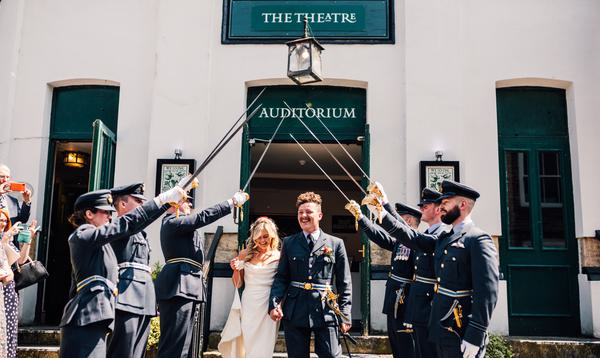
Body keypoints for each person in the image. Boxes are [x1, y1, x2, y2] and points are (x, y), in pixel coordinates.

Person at [373, 181, 499, 358]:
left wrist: (476, 335)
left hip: (459, 329)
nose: (442, 207)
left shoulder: (477, 239)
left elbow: (487, 292)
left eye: (446, 202)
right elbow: (412, 237)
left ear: (462, 205)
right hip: (439, 327)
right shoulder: (446, 238)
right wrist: (383, 213)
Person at [59, 185, 186, 358]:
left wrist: (165, 204)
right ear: (89, 214)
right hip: (85, 317)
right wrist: (161, 200)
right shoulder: (82, 235)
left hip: (98, 316)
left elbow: (133, 225)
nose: (110, 217)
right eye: (106, 212)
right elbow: (127, 223)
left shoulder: (101, 244)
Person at [156, 190, 249, 357]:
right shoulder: (172, 222)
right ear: (173, 203)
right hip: (179, 284)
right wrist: (231, 202)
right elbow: (203, 217)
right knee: (175, 343)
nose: (191, 204)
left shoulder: (180, 224)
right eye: (186, 200)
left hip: (187, 284)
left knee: (184, 343)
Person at [269, 192, 352, 358]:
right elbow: (281, 277)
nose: (304, 216)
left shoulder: (335, 244)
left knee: (330, 354)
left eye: (308, 212)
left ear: (320, 215)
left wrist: (345, 314)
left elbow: (345, 283)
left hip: (325, 309)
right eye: (300, 213)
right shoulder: (289, 242)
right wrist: (274, 303)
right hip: (295, 309)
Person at [346, 200, 417, 358]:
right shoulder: (399, 243)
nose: (393, 223)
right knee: (396, 347)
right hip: (393, 303)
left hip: (406, 304)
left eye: (398, 218)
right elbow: (378, 236)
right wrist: (361, 218)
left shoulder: (417, 244)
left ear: (409, 221)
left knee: (407, 349)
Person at [107, 183, 157, 358]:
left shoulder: (141, 232)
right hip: (126, 297)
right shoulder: (120, 225)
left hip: (144, 297)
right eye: (137, 201)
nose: (142, 205)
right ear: (122, 204)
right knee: (123, 350)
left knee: (138, 352)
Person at [218, 217, 281, 358]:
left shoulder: (279, 256)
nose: (262, 241)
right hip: (249, 303)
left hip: (268, 303)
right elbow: (237, 284)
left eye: (266, 237)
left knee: (265, 345)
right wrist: (235, 269)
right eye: (258, 238)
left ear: (272, 236)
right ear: (253, 238)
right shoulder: (244, 254)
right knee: (248, 342)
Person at [403, 188, 449, 358]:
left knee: (431, 351)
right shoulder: (426, 233)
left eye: (426, 206)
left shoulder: (442, 234)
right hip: (419, 301)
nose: (421, 209)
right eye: (421, 206)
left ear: (438, 209)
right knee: (421, 349)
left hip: (431, 302)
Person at [0, 210, 38, 358]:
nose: (2, 223)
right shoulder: (5, 238)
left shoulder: (7, 239)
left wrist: (29, 238)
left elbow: (21, 261)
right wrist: (8, 236)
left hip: (9, 291)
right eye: (0, 220)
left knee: (9, 330)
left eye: (4, 220)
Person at [0, 165, 32, 244]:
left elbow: (22, 220)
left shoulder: (12, 200)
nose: (5, 180)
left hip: (10, 245)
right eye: (2, 176)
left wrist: (27, 200)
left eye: (8, 177)